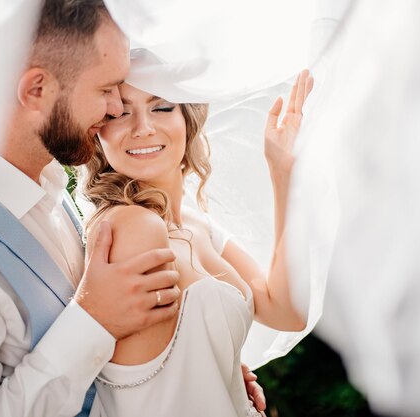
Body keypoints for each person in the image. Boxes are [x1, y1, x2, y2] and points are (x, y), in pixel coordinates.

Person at [0, 1, 266, 416]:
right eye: (106, 89)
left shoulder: (52, 194)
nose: (115, 109)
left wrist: (201, 358)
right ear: (36, 90)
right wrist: (91, 321)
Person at [80, 70, 314, 416]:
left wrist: (283, 171)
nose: (143, 127)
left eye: (161, 107)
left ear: (188, 120)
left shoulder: (194, 222)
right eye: (120, 113)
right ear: (97, 131)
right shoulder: (131, 228)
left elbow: (285, 311)